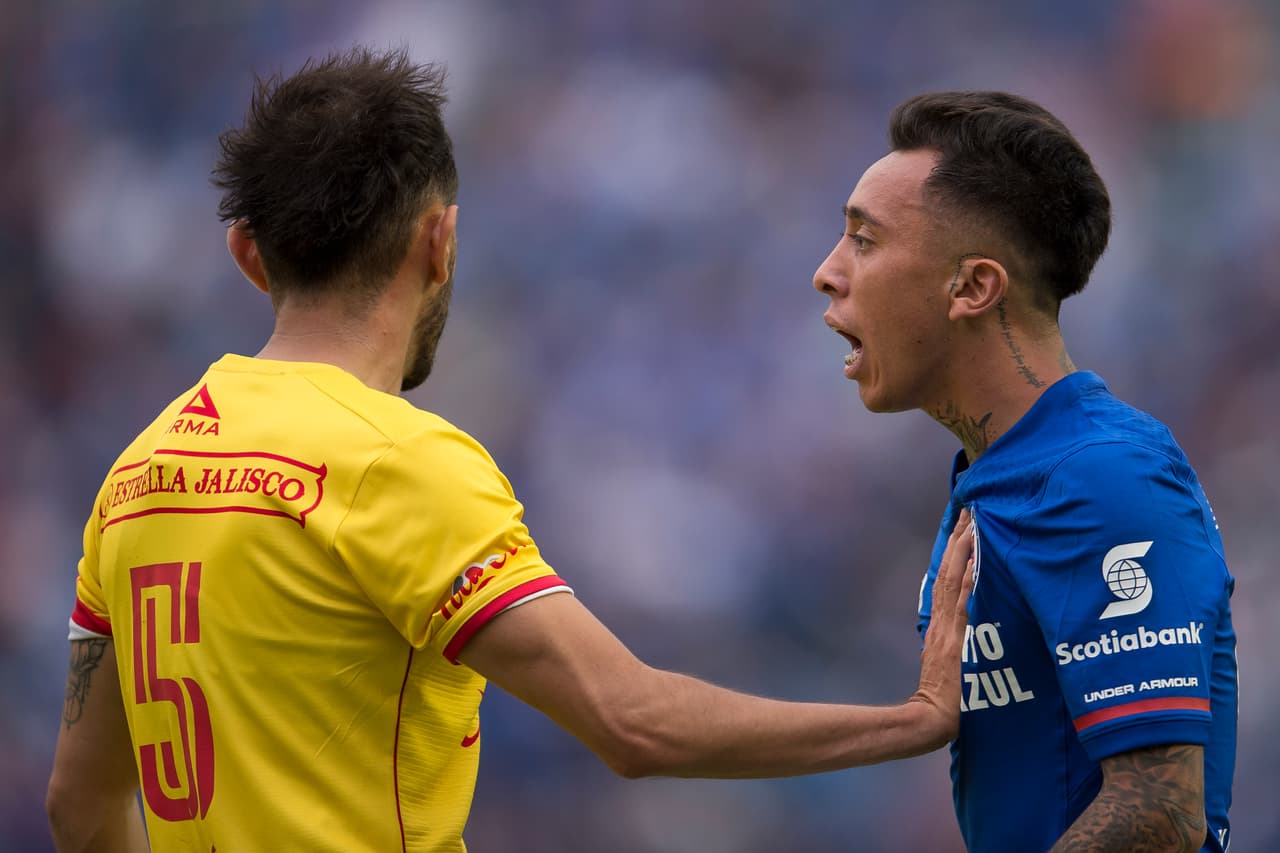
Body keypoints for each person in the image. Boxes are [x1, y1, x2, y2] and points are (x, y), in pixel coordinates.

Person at [45, 47, 977, 853]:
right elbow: (632, 721)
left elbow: (78, 808)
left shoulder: (137, 474)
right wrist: (913, 718)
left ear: (247, 254)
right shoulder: (395, 461)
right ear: (440, 240)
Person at [813, 91, 1237, 853]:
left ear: (973, 287)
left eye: (864, 241)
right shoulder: (995, 477)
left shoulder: (1100, 475)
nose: (827, 273)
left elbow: (1161, 812)